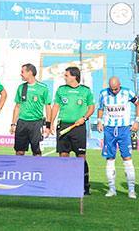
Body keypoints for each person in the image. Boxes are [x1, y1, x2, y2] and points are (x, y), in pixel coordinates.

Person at [50, 66, 95, 195]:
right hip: (63, 126)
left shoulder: (85, 91)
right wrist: (51, 123)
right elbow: (56, 106)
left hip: (79, 127)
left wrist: (84, 118)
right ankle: (65, 184)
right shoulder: (61, 90)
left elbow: (91, 107)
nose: (65, 77)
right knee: (63, 156)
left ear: (74, 76)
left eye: (67, 75)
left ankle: (85, 186)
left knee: (81, 157)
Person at [97, 76, 138, 198]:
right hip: (109, 129)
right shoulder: (103, 93)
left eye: (116, 89)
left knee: (127, 158)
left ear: (120, 85)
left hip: (124, 128)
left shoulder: (127, 92)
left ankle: (131, 190)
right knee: (110, 158)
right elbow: (100, 108)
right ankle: (111, 189)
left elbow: (138, 104)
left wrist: (137, 120)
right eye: (112, 89)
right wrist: (99, 120)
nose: (114, 92)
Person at [10, 64, 51, 157]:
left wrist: (48, 125)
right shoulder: (21, 87)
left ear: (30, 72)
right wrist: (13, 124)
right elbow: (17, 106)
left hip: (36, 123)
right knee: (19, 152)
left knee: (36, 152)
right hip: (22, 123)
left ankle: (37, 171)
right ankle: (19, 170)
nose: (21, 74)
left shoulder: (43, 88)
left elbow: (48, 107)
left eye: (22, 72)